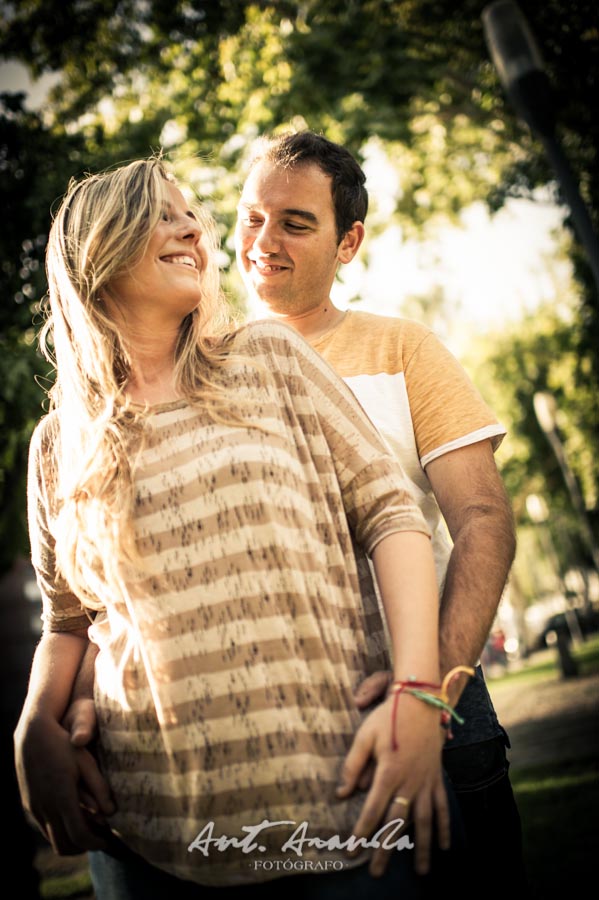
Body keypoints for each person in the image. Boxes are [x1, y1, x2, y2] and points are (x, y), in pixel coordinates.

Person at [14, 157, 470, 899]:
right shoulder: (58, 447)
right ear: (96, 247)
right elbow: (69, 621)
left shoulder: (268, 358)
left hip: (339, 814)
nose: (193, 227)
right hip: (151, 843)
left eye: (191, 214)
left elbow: (393, 515)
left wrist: (418, 697)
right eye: (162, 213)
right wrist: (35, 726)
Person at [233, 130, 525, 888]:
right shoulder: (206, 370)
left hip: (435, 699)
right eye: (251, 217)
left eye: (295, 223)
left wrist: (432, 691)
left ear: (348, 241)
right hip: (277, 732)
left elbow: (483, 521)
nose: (264, 240)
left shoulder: (403, 348)